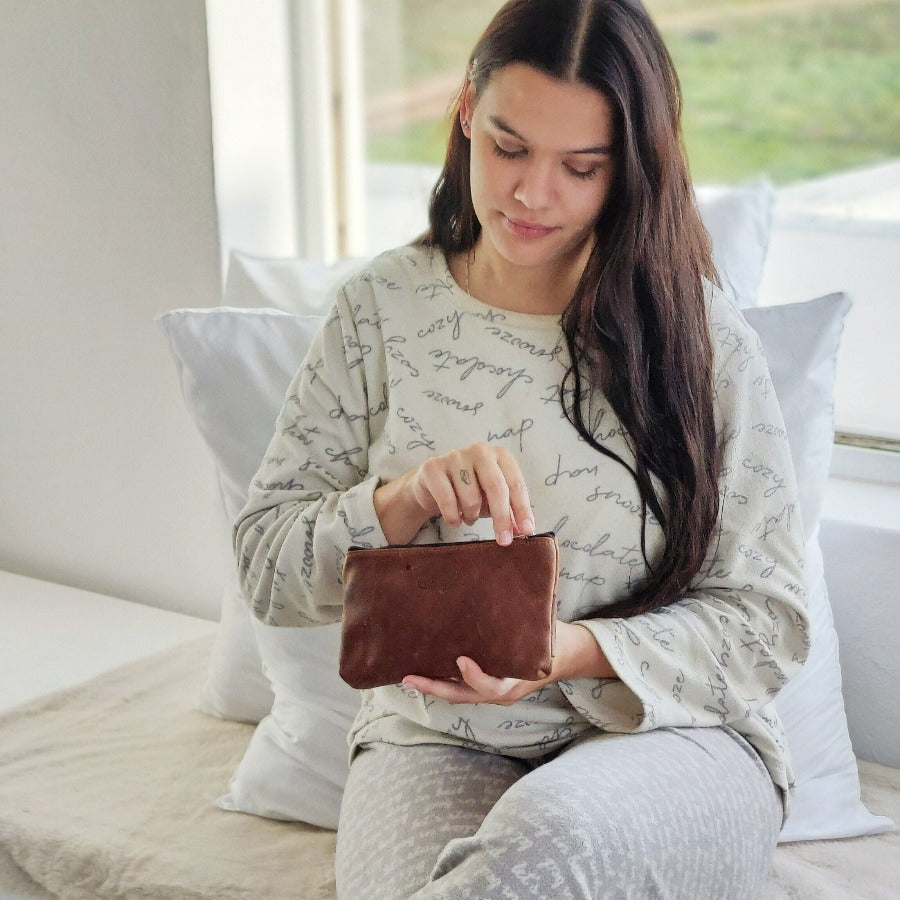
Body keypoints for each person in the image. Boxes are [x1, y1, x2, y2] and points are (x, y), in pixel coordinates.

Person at [234, 0, 810, 896]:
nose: (533, 195)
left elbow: (769, 623)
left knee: (546, 841)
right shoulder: (380, 312)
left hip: (671, 738)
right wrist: (404, 499)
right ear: (466, 114)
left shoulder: (701, 337)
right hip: (432, 740)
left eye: (581, 168)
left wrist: (562, 650)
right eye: (507, 148)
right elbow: (265, 568)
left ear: (631, 171)